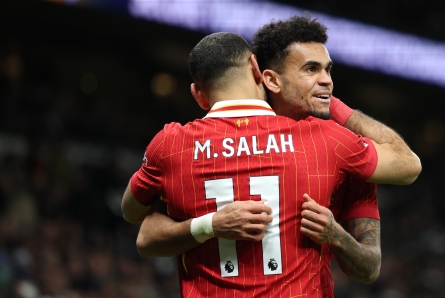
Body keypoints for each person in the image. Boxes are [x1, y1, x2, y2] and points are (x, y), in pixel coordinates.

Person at [131, 14, 422, 296]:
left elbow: (369, 269)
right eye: (311, 70)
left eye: (328, 70)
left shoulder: (342, 149)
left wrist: (337, 236)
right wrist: (211, 225)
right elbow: (147, 236)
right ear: (268, 78)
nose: (327, 81)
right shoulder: (331, 143)